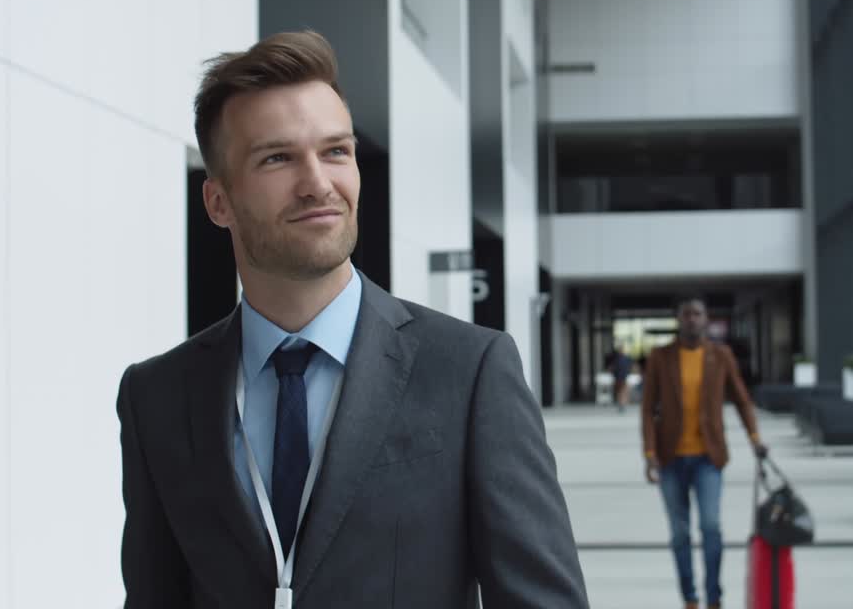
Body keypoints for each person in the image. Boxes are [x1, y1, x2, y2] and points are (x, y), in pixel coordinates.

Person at [116, 31, 588, 608]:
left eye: (336, 151)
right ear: (219, 202)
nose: (318, 183)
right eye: (278, 158)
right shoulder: (157, 395)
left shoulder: (468, 372)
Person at [641, 298, 766, 609]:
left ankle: (714, 597)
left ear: (706, 319)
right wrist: (649, 452)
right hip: (670, 459)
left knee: (711, 526)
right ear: (679, 319)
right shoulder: (660, 356)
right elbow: (647, 410)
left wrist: (755, 438)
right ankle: (690, 598)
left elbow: (741, 399)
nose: (692, 319)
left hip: (708, 458)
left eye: (697, 314)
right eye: (686, 314)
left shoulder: (720, 355)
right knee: (679, 533)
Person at [611, 346, 633, 411]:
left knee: (621, 391)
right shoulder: (619, 359)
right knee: (621, 391)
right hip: (620, 378)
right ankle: (622, 403)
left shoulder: (619, 359)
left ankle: (622, 403)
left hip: (621, 377)